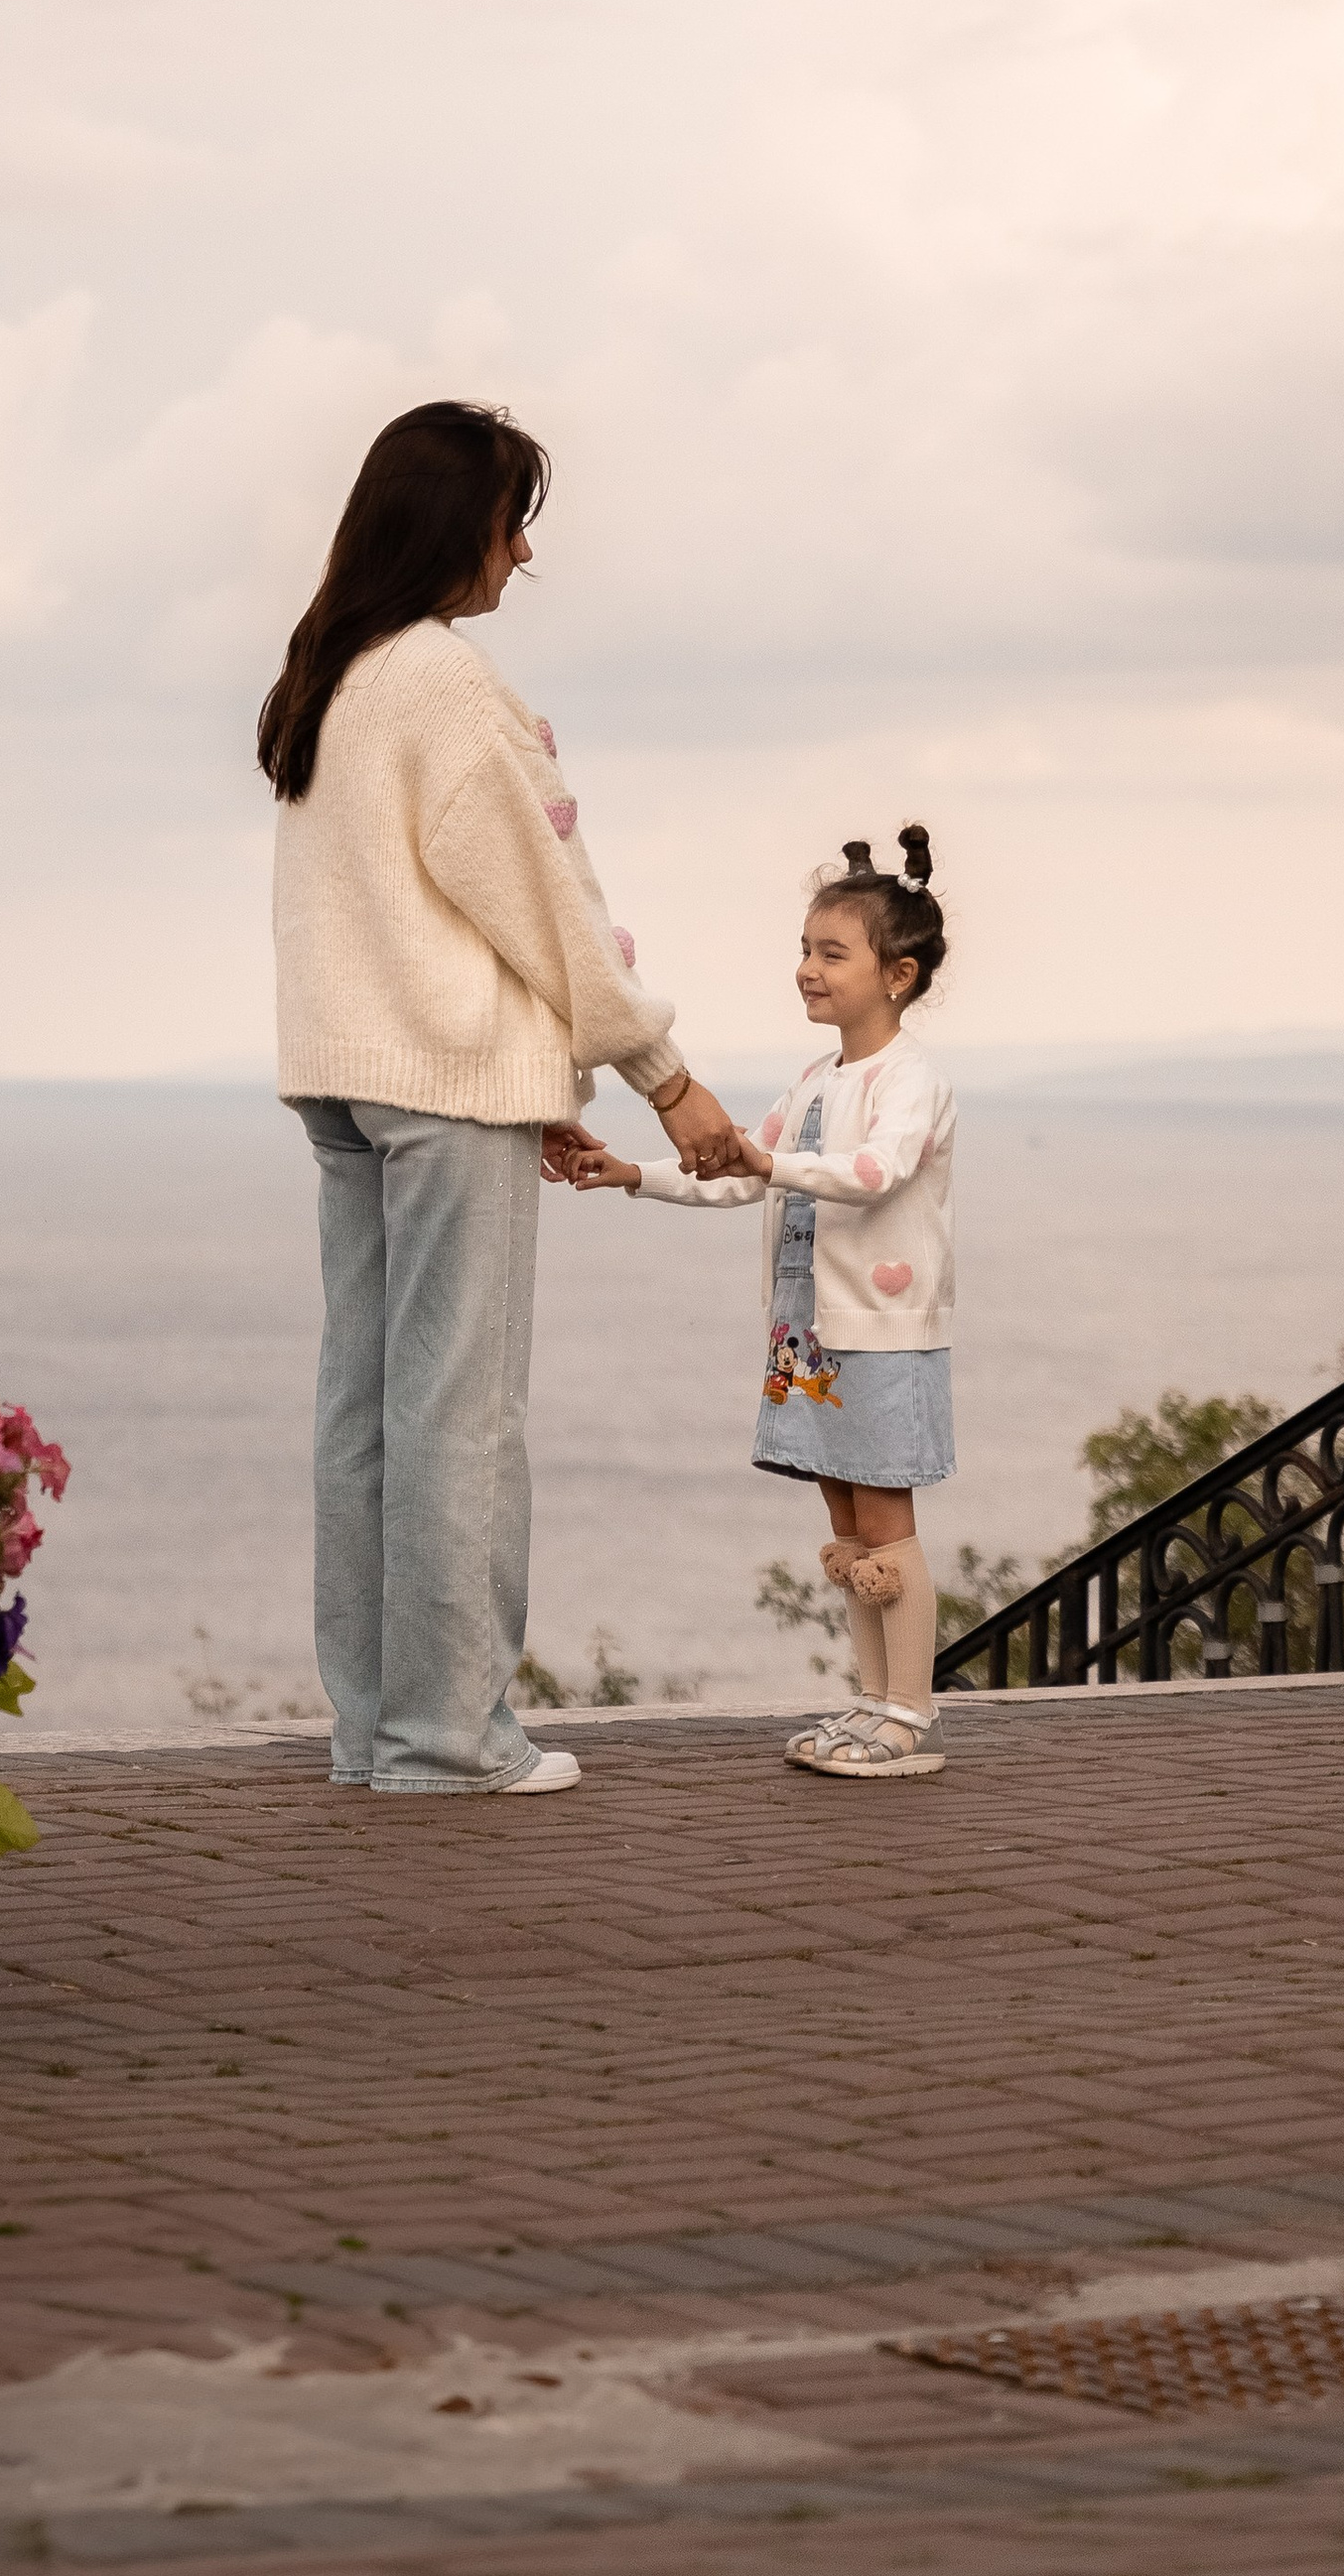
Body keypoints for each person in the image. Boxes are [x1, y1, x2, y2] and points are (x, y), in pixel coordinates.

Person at [260, 400, 742, 1794]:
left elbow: (384, 914)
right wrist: (667, 1077)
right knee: (460, 1414)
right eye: (510, 521)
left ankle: (377, 1732)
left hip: (348, 1080)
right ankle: (450, 1740)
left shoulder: (329, 675)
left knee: (366, 1407)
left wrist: (532, 1083)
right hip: (440, 1083)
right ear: (452, 527)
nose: (523, 554)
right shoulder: (442, 685)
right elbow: (545, 907)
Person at [570, 830, 957, 1778]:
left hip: (879, 1332)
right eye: (805, 950)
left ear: (897, 974)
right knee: (844, 1522)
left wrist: (762, 1157)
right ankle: (869, 1700)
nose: (808, 970)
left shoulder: (911, 1081)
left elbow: (871, 1174)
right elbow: (740, 1172)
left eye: (833, 953)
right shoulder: (816, 1080)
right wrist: (633, 1174)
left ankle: (906, 1714)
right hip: (811, 1336)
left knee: (886, 1520)